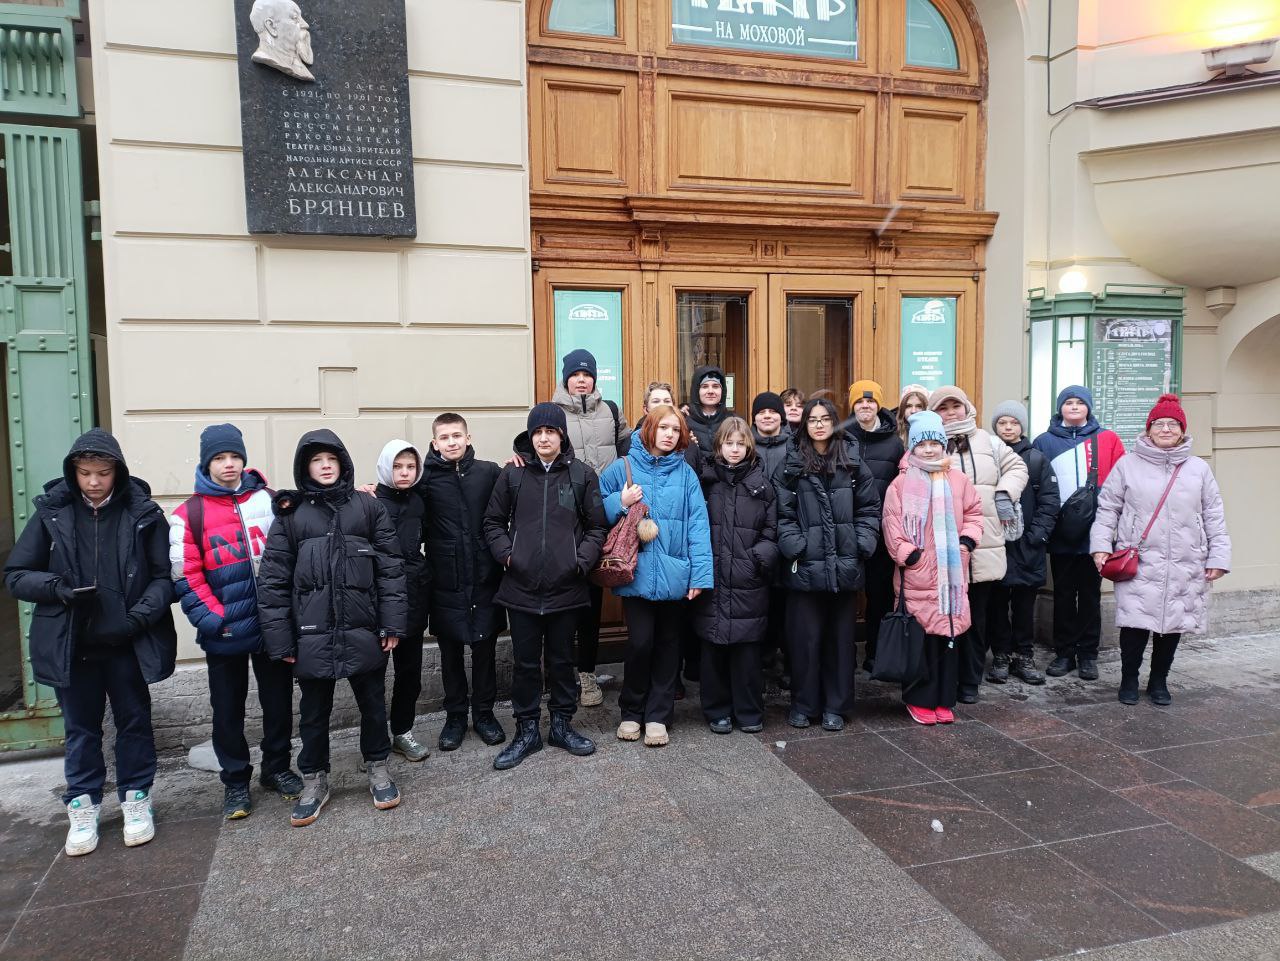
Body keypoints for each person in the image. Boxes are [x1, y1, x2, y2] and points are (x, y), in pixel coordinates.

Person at [5, 429, 177, 856]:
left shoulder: (143, 512)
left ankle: (136, 797)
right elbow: (16, 575)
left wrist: (136, 619)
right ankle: (83, 804)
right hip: (73, 646)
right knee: (81, 729)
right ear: (73, 472)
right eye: (85, 473)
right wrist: (57, 588)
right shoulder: (52, 513)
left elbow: (163, 578)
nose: (94, 481)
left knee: (133, 722)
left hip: (126, 644)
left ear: (117, 471)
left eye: (102, 472)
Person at [257, 430, 408, 827]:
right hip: (312, 633)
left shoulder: (368, 508)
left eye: (331, 459)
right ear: (304, 467)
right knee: (312, 712)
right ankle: (314, 779)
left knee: (373, 704)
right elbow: (273, 582)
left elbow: (391, 570)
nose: (325, 466)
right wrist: (281, 640)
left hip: (364, 627)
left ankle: (378, 767)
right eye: (316, 460)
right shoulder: (291, 515)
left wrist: (392, 622)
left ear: (342, 462)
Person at [170, 423, 301, 821]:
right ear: (206, 463)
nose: (228, 464)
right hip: (224, 631)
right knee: (228, 711)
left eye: (234, 456)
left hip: (271, 626)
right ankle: (235, 781)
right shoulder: (188, 515)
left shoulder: (271, 501)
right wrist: (215, 619)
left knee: (278, 703)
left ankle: (276, 768)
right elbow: (185, 576)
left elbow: (295, 551)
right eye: (219, 458)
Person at [483, 403, 607, 769]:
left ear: (562, 435)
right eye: (537, 432)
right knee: (524, 663)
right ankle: (527, 731)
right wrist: (508, 556)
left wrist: (579, 562)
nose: (543, 438)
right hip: (521, 587)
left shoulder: (582, 475)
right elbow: (492, 522)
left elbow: (597, 526)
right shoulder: (513, 474)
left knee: (562, 661)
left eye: (550, 431)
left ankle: (562, 726)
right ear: (530, 436)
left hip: (566, 587)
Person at [1090, 395, 1230, 706]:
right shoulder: (1127, 465)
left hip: (1185, 559)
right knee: (1135, 623)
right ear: (1149, 429)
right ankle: (1129, 679)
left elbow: (1214, 514)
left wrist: (1218, 557)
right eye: (1159, 424)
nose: (1166, 429)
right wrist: (1100, 546)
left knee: (1172, 625)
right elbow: (1108, 508)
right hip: (1138, 558)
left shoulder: (1198, 469)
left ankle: (1159, 680)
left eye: (1173, 424)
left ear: (1182, 430)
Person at [599, 404, 714, 747]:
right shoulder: (623, 467)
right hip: (635, 573)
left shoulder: (686, 474)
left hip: (675, 573)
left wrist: (699, 576)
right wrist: (619, 502)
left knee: (668, 646)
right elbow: (594, 511)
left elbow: (698, 524)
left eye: (676, 430)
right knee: (640, 643)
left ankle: (658, 716)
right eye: (664, 427)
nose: (669, 434)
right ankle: (631, 711)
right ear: (649, 428)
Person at [776, 398, 881, 731]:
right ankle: (804, 704)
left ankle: (836, 705)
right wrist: (797, 546)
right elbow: (781, 513)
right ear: (804, 425)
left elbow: (869, 509)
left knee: (840, 642)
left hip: (843, 566)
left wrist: (861, 544)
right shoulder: (791, 463)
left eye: (825, 419)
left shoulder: (852, 461)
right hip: (805, 567)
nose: (819, 425)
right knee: (804, 642)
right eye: (812, 419)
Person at [881, 412, 984, 725]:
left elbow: (974, 513)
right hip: (919, 574)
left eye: (934, 443)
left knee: (947, 639)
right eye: (921, 444)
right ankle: (919, 700)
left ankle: (943, 698)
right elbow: (891, 525)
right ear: (912, 447)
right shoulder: (901, 483)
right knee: (921, 641)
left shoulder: (958, 480)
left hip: (951, 574)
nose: (928, 449)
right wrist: (910, 556)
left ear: (943, 444)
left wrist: (967, 541)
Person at [928, 386, 1028, 704]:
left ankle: (970, 681)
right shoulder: (929, 442)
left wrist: (1004, 493)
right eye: (943, 408)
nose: (951, 413)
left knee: (976, 618)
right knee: (946, 615)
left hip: (983, 544)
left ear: (967, 407)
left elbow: (1017, 467)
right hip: (944, 546)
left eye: (955, 406)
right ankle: (947, 677)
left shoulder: (989, 441)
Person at [420, 413, 506, 751]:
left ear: (468, 438)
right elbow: (398, 499)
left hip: (484, 576)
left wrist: (519, 461)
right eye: (444, 437)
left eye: (457, 435)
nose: (452, 442)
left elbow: (513, 496)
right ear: (435, 443)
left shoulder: (488, 472)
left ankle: (484, 714)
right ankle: (455, 716)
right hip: (446, 579)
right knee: (450, 653)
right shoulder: (425, 479)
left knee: (485, 650)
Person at [553, 348, 630, 709]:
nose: (582, 380)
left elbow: (631, 450)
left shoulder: (611, 411)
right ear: (566, 378)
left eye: (587, 375)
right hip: (564, 516)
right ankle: (560, 671)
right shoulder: (553, 414)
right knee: (563, 596)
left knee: (593, 597)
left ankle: (586, 672)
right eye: (576, 375)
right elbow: (535, 448)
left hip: (604, 513)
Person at [1032, 385, 1126, 680]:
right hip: (1060, 531)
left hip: (1095, 533)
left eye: (1079, 402)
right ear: (1060, 407)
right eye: (1068, 402)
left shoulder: (1107, 439)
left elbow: (1122, 483)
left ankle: (1088, 654)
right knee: (1062, 594)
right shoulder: (1044, 441)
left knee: (1089, 595)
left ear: (1088, 407)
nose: (1074, 407)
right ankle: (1064, 653)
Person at [695, 418, 777, 734]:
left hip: (748, 580)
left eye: (740, 444)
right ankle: (717, 710)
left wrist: (758, 559)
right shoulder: (706, 481)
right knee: (713, 648)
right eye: (728, 443)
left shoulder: (761, 485)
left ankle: (749, 710)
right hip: (713, 578)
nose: (734, 449)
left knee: (747, 653)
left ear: (749, 447)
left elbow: (772, 529)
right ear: (719, 445)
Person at [986, 402, 1059, 685]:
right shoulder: (988, 457)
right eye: (1002, 423)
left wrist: (1036, 536)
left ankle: (1024, 655)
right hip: (996, 546)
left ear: (1022, 426)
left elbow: (1049, 501)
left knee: (1024, 607)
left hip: (1028, 546)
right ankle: (1001, 655)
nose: (1008, 428)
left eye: (1014, 423)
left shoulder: (1037, 459)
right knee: (996, 606)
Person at [373, 440, 431, 763]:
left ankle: (402, 731)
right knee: (373, 677)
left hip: (413, 598)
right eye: (397, 466)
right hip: (379, 601)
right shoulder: (369, 502)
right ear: (386, 467)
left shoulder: (420, 501)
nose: (404, 472)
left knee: (409, 673)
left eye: (410, 466)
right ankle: (374, 740)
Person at [847, 380, 905, 673]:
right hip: (847, 528)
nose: (865, 406)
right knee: (845, 595)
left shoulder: (894, 443)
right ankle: (844, 655)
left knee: (879, 595)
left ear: (878, 405)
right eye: (859, 401)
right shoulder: (843, 437)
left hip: (881, 531)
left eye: (870, 401)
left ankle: (875, 653)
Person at [686, 365, 736, 452]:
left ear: (723, 391)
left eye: (715, 386)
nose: (710, 391)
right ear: (696, 391)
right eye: (705, 386)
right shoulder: (684, 422)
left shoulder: (734, 422)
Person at [750, 390, 791, 480]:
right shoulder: (746, 446)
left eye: (773, 412)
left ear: (781, 418)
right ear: (754, 420)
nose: (767, 416)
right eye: (761, 412)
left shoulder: (794, 446)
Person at [896, 385, 929, 452]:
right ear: (902, 409)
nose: (913, 411)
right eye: (908, 406)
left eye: (919, 406)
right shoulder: (891, 431)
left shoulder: (935, 431)